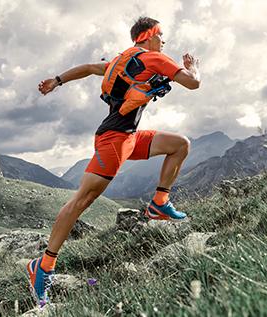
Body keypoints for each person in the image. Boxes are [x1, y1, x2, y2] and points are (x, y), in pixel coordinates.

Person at [26, 16, 200, 306]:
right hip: (114, 141)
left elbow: (89, 68)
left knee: (180, 145)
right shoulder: (154, 59)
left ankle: (159, 204)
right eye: (162, 37)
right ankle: (42, 267)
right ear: (149, 35)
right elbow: (193, 83)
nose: (164, 43)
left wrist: (57, 80)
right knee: (80, 202)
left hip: (128, 137)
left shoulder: (121, 61)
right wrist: (193, 65)